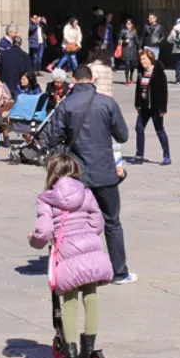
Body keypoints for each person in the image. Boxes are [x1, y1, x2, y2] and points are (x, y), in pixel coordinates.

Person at [45, 65, 136, 284]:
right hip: (105, 173)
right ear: (92, 78)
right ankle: (120, 272)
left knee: (79, 224)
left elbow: (50, 138)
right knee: (112, 221)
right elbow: (122, 135)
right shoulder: (107, 103)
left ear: (74, 80)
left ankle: (82, 272)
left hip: (77, 176)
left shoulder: (65, 105)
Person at [28, 154, 113, 358]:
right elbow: (98, 223)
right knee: (91, 298)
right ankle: (88, 352)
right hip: (91, 250)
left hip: (67, 253)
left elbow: (44, 232)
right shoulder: (86, 193)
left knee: (70, 304)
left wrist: (33, 239)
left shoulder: (46, 198)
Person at [127, 49, 171, 166]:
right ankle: (139, 155)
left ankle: (167, 156)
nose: (142, 61)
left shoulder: (158, 72)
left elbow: (164, 91)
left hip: (156, 107)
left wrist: (163, 108)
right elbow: (138, 90)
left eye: (144, 59)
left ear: (150, 59)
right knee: (139, 128)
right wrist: (137, 104)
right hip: (144, 107)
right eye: (141, 59)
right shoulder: (141, 72)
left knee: (160, 130)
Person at [88, 49, 125, 179]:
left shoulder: (92, 67)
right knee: (107, 132)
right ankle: (110, 157)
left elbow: (90, 81)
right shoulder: (108, 68)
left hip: (96, 103)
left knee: (95, 131)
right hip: (109, 102)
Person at [118, 18, 139, 85]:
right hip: (126, 49)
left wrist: (140, 48)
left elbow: (137, 41)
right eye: (127, 23)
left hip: (133, 49)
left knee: (133, 64)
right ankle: (127, 80)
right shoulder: (123, 31)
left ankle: (131, 77)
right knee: (127, 64)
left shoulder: (134, 31)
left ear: (131, 24)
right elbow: (119, 41)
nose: (128, 25)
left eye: (129, 24)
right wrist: (124, 41)